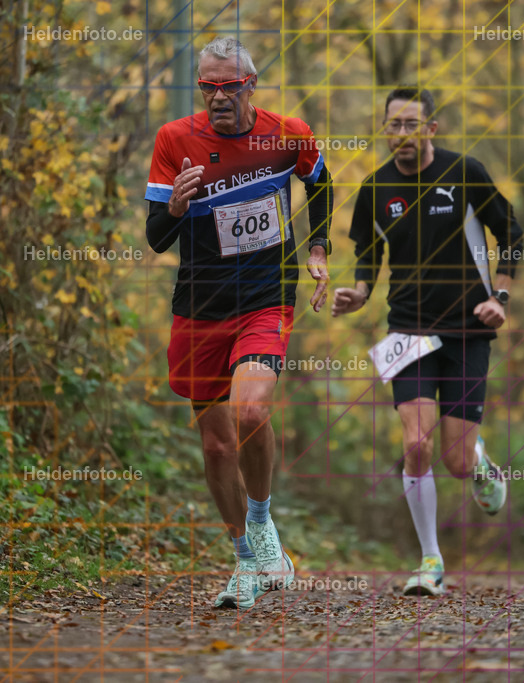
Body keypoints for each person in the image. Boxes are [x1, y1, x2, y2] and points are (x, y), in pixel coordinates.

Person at [144, 36, 333, 609]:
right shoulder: (174, 140)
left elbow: (320, 183)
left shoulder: (287, 133)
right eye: (209, 86)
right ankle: (245, 561)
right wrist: (175, 208)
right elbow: (156, 239)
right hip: (199, 307)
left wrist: (318, 247)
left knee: (252, 410)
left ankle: (261, 520)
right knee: (216, 448)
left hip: (265, 297)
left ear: (251, 85)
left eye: (229, 85)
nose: (219, 96)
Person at [332, 86, 521, 596]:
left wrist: (499, 297)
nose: (401, 135)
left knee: (456, 463)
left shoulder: (466, 173)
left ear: (430, 129)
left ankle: (478, 460)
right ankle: (430, 560)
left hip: (467, 328)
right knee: (416, 443)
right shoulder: (375, 188)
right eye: (393, 125)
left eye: (411, 124)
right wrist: (361, 291)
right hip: (407, 328)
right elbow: (369, 251)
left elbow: (513, 232)